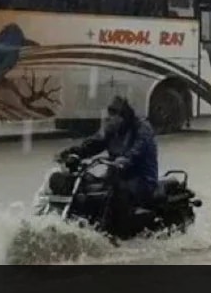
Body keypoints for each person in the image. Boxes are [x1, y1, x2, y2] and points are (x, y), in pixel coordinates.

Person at [58, 95, 159, 232]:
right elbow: (94, 144)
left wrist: (125, 159)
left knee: (116, 194)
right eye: (108, 115)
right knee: (85, 187)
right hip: (115, 176)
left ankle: (118, 233)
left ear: (123, 116)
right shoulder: (112, 130)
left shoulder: (142, 128)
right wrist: (73, 153)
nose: (108, 119)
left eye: (113, 115)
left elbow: (139, 148)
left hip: (141, 178)